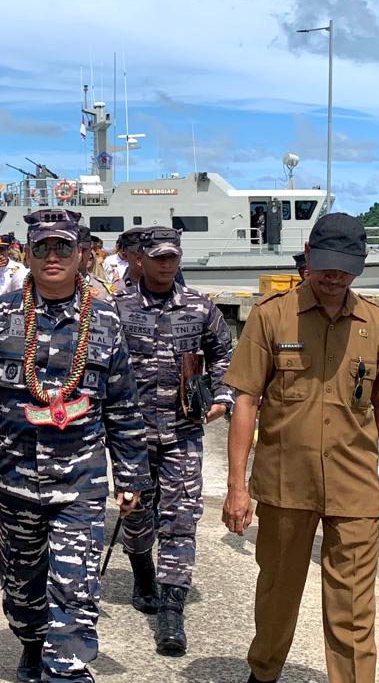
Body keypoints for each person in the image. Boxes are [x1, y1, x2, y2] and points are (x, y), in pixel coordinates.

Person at [0, 208, 149, 683]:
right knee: (22, 585)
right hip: (15, 475)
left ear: (81, 253)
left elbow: (123, 402)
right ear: (28, 254)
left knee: (75, 583)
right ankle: (31, 639)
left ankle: (66, 668)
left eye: (64, 246)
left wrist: (130, 475)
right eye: (43, 248)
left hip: (81, 479)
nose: (54, 256)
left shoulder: (106, 317)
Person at [222, 213, 379, 683]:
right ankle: (263, 673)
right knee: (277, 594)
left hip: (354, 488)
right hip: (286, 484)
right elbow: (245, 400)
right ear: (308, 256)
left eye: (345, 268)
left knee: (353, 607)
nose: (333, 276)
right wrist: (236, 487)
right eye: (325, 264)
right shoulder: (272, 316)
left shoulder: (378, 326)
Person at [112, 226, 233, 656]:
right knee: (136, 514)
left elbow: (223, 354)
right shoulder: (118, 309)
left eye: (173, 257)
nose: (167, 264)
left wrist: (221, 396)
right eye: (158, 257)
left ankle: (171, 609)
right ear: (139, 259)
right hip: (132, 434)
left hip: (183, 431)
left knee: (181, 518)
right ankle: (142, 569)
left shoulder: (201, 308)